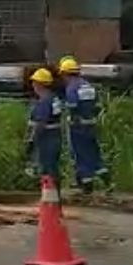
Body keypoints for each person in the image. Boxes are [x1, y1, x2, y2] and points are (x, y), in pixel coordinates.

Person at [58, 57, 111, 193]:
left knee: (79, 152)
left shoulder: (71, 88)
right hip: (91, 124)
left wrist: (68, 114)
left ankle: (86, 184)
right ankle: (106, 178)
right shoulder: (87, 85)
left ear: (65, 74)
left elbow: (72, 106)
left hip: (78, 126)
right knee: (93, 151)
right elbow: (97, 105)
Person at [25, 68, 64, 191]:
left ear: (39, 84)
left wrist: (32, 140)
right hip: (55, 136)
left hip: (46, 138)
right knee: (52, 167)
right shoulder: (54, 98)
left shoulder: (44, 102)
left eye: (34, 82)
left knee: (47, 168)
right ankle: (54, 195)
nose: (33, 85)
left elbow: (40, 123)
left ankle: (50, 197)